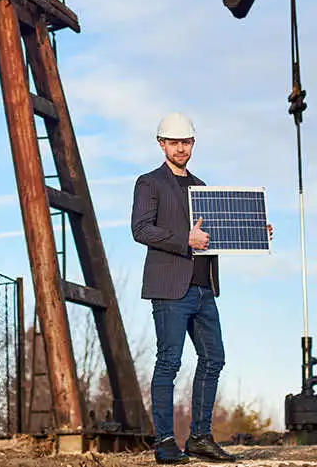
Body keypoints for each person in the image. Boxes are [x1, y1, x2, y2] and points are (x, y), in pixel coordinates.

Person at [131, 113, 236, 464]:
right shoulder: (149, 183)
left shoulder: (203, 188)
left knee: (214, 359)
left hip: (204, 288)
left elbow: (216, 234)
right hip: (170, 289)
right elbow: (141, 229)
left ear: (193, 143)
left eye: (186, 142)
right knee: (169, 362)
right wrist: (184, 240)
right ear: (162, 144)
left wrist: (252, 234)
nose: (180, 148)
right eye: (174, 142)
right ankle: (164, 442)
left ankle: (200, 438)